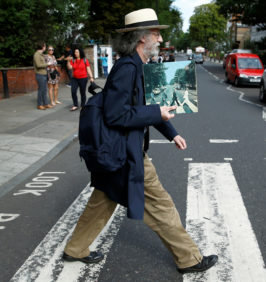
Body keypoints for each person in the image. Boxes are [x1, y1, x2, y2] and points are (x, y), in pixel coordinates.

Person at [62, 8, 218, 274]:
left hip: (118, 152)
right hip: (125, 153)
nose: (160, 39)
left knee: (103, 201)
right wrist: (155, 112)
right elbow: (116, 114)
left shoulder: (137, 66)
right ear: (141, 38)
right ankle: (189, 259)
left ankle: (75, 249)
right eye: (156, 34)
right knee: (161, 205)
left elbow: (148, 107)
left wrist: (172, 133)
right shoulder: (126, 69)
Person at [33, 41, 53, 110]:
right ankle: (39, 104)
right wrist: (47, 64)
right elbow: (38, 65)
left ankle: (45, 103)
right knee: (41, 90)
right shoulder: (36, 55)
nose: (45, 47)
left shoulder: (41, 54)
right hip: (40, 75)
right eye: (45, 46)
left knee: (44, 89)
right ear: (42, 47)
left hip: (44, 74)